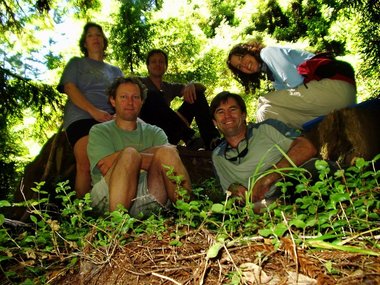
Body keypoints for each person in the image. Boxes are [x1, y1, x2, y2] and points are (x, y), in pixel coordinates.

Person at [87, 77, 192, 217]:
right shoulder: (100, 131)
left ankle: (189, 216)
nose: (130, 102)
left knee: (167, 152)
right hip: (108, 197)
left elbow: (169, 161)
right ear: (113, 100)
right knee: (130, 154)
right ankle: (117, 227)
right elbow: (105, 166)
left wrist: (127, 159)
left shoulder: (155, 132)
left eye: (135, 97)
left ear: (142, 101)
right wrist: (145, 156)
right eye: (123, 97)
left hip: (146, 196)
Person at [210, 91, 317, 210]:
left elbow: (306, 148)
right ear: (215, 122)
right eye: (220, 112)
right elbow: (227, 193)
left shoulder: (266, 128)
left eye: (233, 109)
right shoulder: (217, 156)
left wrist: (268, 178)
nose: (227, 116)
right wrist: (233, 188)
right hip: (257, 206)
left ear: (243, 115)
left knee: (315, 168)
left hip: (291, 186)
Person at [57, 22, 123, 198]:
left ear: (104, 41)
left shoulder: (115, 70)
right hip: (82, 116)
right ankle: (83, 215)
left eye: (99, 35)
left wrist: (118, 115)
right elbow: (70, 88)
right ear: (85, 43)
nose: (95, 38)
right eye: (90, 35)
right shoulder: (76, 63)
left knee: (121, 158)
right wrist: (94, 112)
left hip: (111, 118)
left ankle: (116, 207)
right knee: (86, 163)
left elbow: (124, 95)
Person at [227, 41, 357, 129]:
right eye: (239, 66)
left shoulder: (267, 52)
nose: (243, 64)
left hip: (334, 88)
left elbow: (295, 82)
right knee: (266, 113)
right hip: (334, 102)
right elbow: (291, 97)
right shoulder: (273, 78)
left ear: (249, 51)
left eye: (241, 57)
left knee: (263, 101)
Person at [138, 49, 221, 150]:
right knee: (152, 95)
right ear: (148, 66)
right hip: (148, 130)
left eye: (161, 61)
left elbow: (202, 88)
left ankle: (212, 140)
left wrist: (192, 85)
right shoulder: (139, 82)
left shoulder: (169, 87)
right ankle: (190, 137)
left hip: (169, 131)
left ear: (166, 66)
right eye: (154, 61)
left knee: (196, 94)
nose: (157, 64)